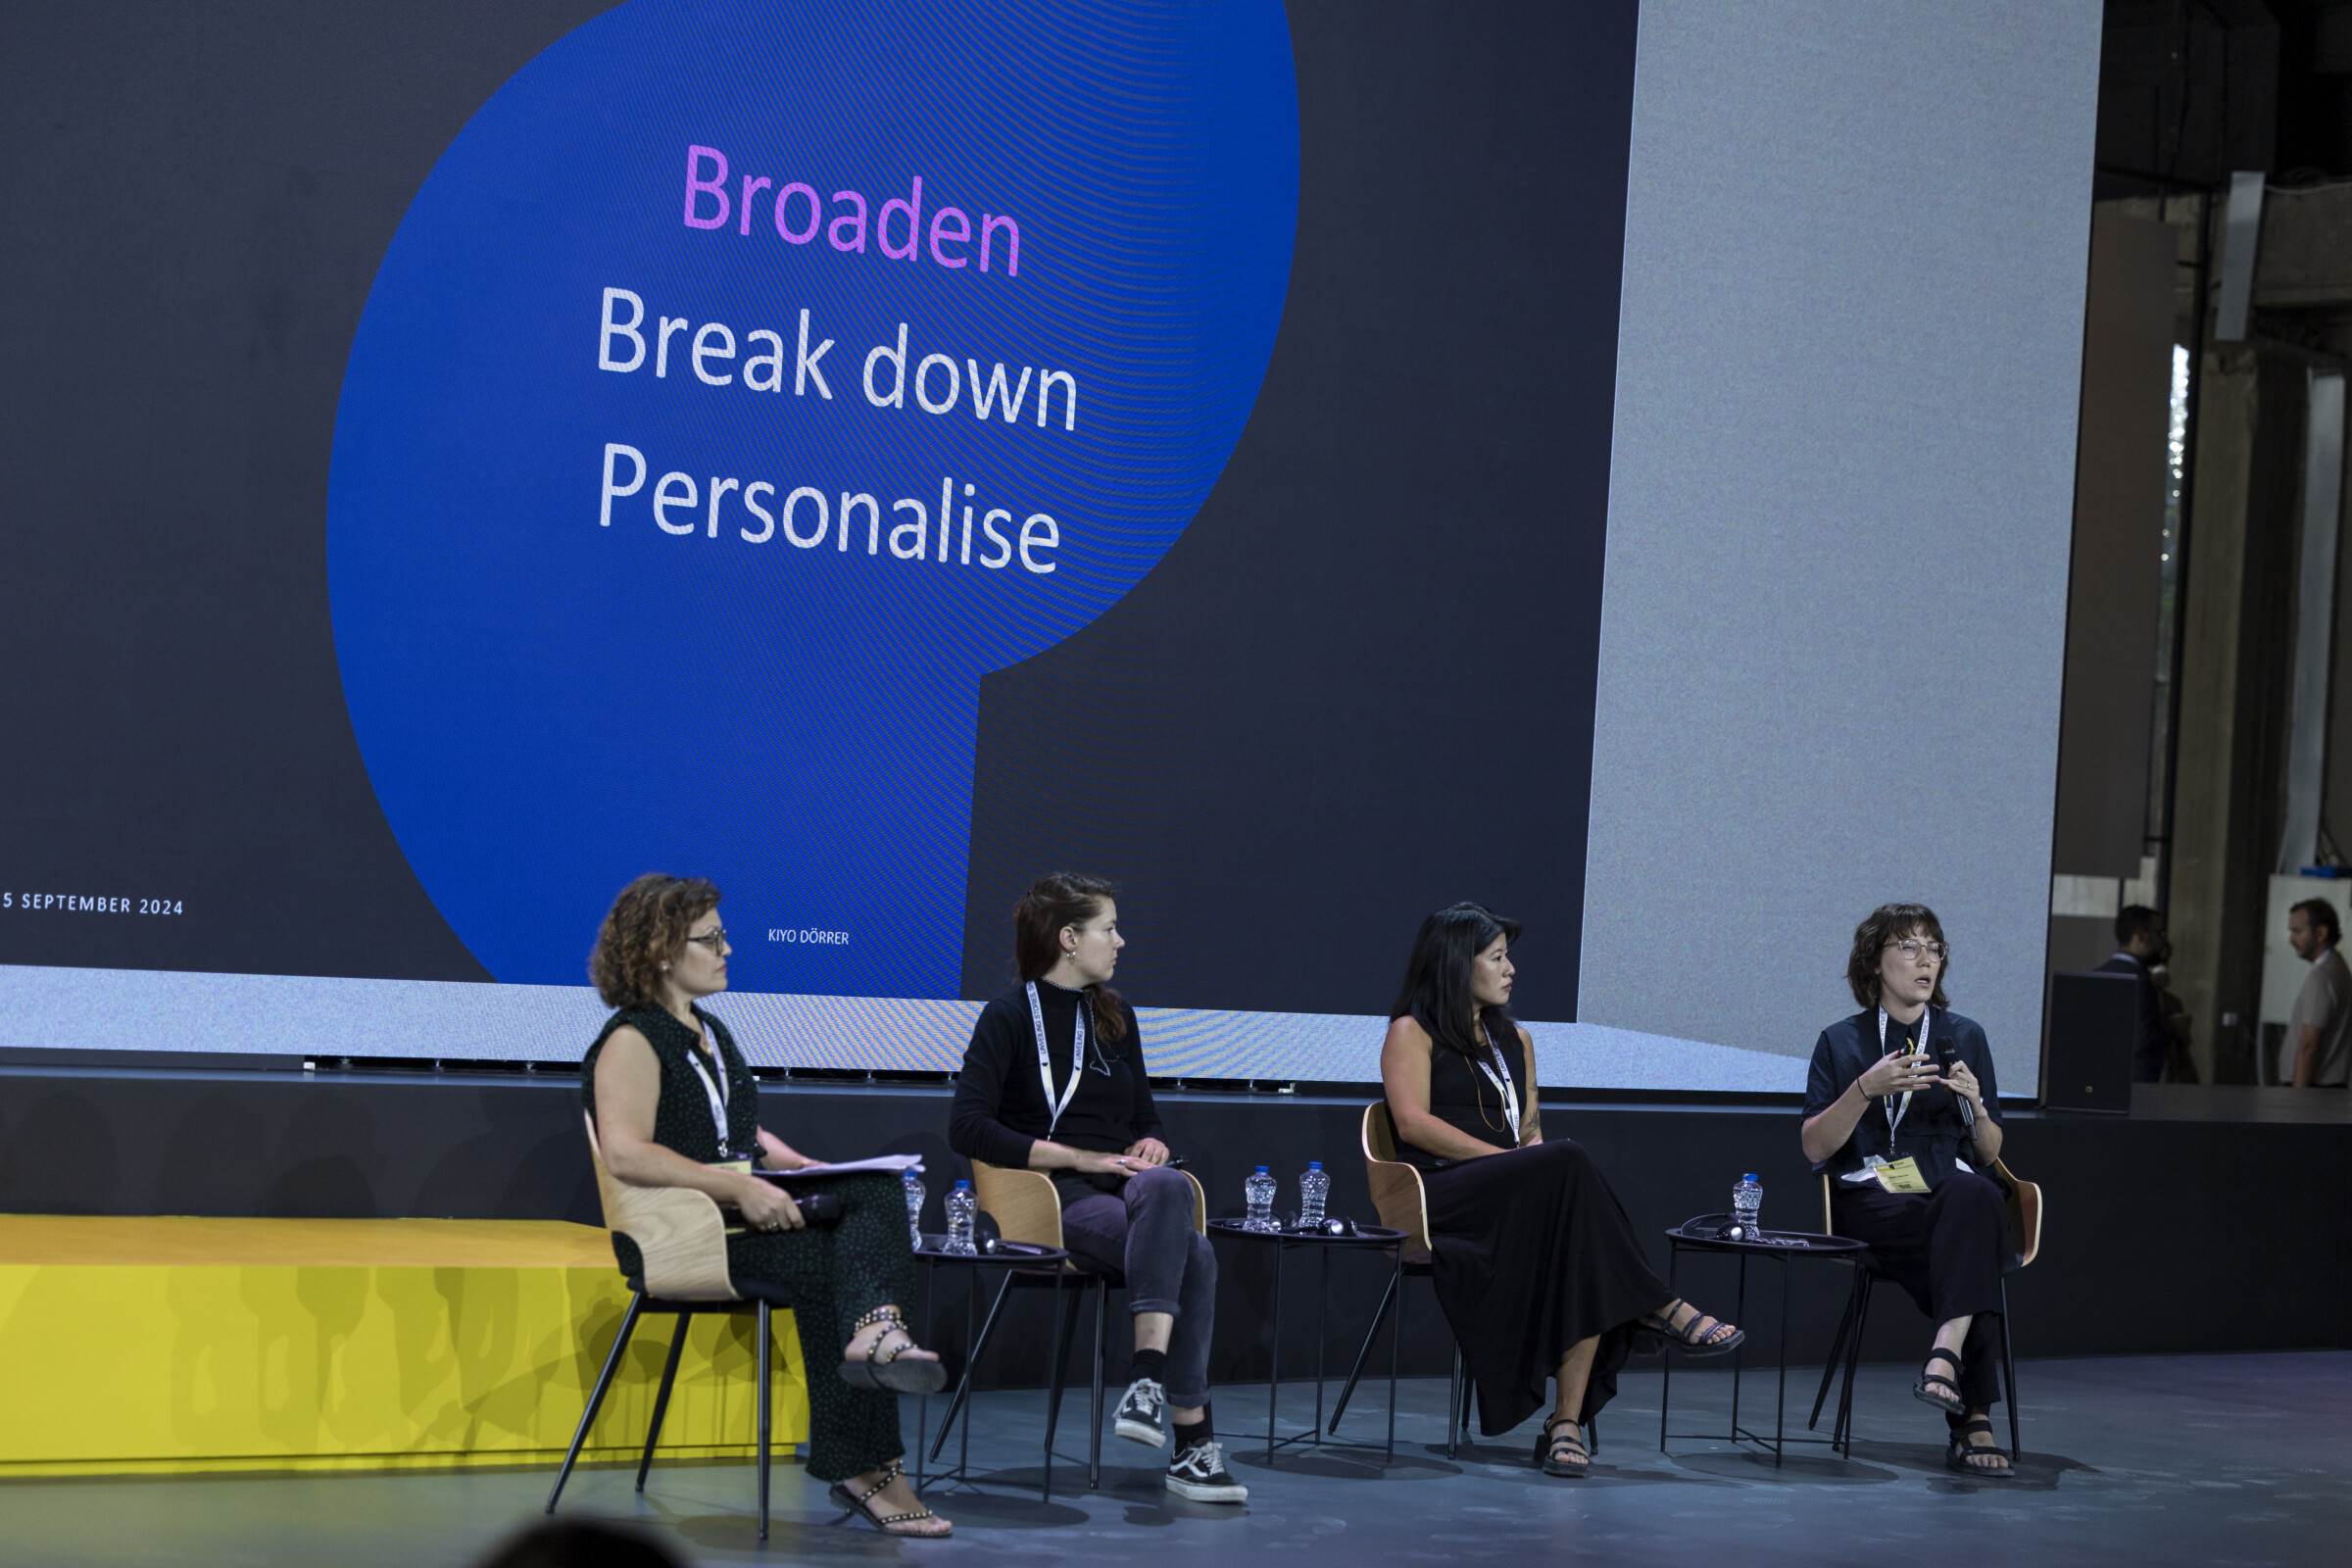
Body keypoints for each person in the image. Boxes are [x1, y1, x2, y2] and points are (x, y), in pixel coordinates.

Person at [582, 874, 952, 1539]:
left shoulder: (710, 1032)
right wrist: (740, 1186)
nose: (728, 949)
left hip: (735, 1216)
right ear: (662, 951)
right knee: (823, 1259)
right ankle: (868, 1466)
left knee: (872, 1188)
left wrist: (800, 1168)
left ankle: (877, 1334)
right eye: (711, 939)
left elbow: (737, 1131)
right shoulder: (632, 1039)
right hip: (683, 1235)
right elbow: (627, 1153)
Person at [1380, 904, 1743, 1481]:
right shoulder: (1413, 1031)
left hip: (1511, 1196)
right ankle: (1657, 1305)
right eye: (1497, 957)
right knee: (1568, 1163)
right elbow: (1412, 1125)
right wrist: (1514, 1163)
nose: (1511, 969)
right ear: (1456, 964)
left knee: (1579, 1237)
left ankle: (1565, 1423)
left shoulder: (1515, 1040)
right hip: (1443, 1195)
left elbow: (1530, 1134)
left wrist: (1528, 1160)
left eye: (1509, 957)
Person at [948, 872, 1246, 1504]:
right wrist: (1080, 1156)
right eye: (1108, 929)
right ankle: (1190, 1444)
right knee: (1195, 1253)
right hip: (1051, 1199)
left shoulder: (1115, 1016)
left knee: (1166, 1184)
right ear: (1068, 939)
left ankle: (1145, 1382)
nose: (1121, 941)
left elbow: (1145, 1117)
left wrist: (1151, 1144)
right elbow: (967, 1126)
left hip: (1124, 1191)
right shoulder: (1006, 1019)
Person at [1800, 902, 2012, 1477]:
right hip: (1872, 1202)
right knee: (1972, 1246)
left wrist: (1975, 1106)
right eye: (1910, 947)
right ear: (1875, 964)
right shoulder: (1841, 1042)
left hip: (1948, 1194)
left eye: (1934, 948)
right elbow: (1815, 1149)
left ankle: (1945, 1355)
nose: (1926, 961)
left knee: (1975, 1198)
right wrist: (1864, 1090)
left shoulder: (1964, 1035)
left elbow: (1990, 1153)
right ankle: (1974, 1419)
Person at [2095, 905, 2183, 1084]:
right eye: (2160, 934)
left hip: (2102, 1081)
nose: (2162, 942)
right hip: (2138, 1085)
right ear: (2140, 936)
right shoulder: (2140, 980)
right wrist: (2175, 1028)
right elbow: (2142, 1039)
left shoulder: (2097, 974)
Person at [2284, 898, 2352, 1088]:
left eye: (2297, 931)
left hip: (2313, 1090)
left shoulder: (2322, 977)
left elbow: (2309, 1044)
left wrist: (2297, 1099)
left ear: (2321, 933)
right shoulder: (2338, 967)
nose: (2291, 940)